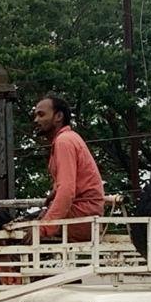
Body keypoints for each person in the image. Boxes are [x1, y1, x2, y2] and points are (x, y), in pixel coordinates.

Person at [33, 93, 105, 242]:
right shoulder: (69, 138)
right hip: (84, 215)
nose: (36, 120)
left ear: (58, 116)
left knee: (11, 231)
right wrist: (48, 207)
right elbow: (62, 187)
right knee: (24, 224)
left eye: (41, 115)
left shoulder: (64, 141)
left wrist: (44, 227)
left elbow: (66, 191)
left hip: (81, 217)